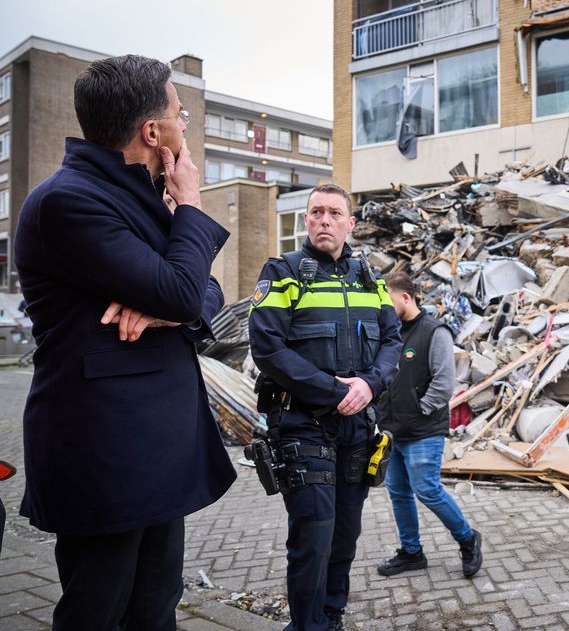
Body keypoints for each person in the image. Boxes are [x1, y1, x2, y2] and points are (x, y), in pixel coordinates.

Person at [14, 55, 236, 630]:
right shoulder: (70, 202)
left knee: (156, 607)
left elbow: (204, 291)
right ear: (152, 132)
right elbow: (189, 293)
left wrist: (167, 310)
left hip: (158, 447)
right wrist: (189, 204)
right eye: (180, 114)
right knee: (97, 611)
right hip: (104, 450)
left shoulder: (138, 201)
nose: (185, 126)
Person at [248, 184, 402, 631]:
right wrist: (335, 391)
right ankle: (306, 625)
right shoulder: (284, 272)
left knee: (344, 536)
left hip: (357, 428)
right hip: (302, 426)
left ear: (350, 224)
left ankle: (330, 616)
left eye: (335, 213)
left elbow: (392, 342)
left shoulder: (370, 279)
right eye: (316, 212)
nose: (324, 220)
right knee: (313, 536)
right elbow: (268, 349)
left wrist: (370, 385)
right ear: (306, 221)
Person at [376, 272, 483, 579]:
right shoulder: (389, 334)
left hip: (423, 430)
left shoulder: (434, 332)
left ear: (405, 298)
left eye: (388, 300)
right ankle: (411, 553)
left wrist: (418, 410)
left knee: (427, 490)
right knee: (398, 492)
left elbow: (444, 382)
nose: (384, 307)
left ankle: (467, 539)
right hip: (391, 430)